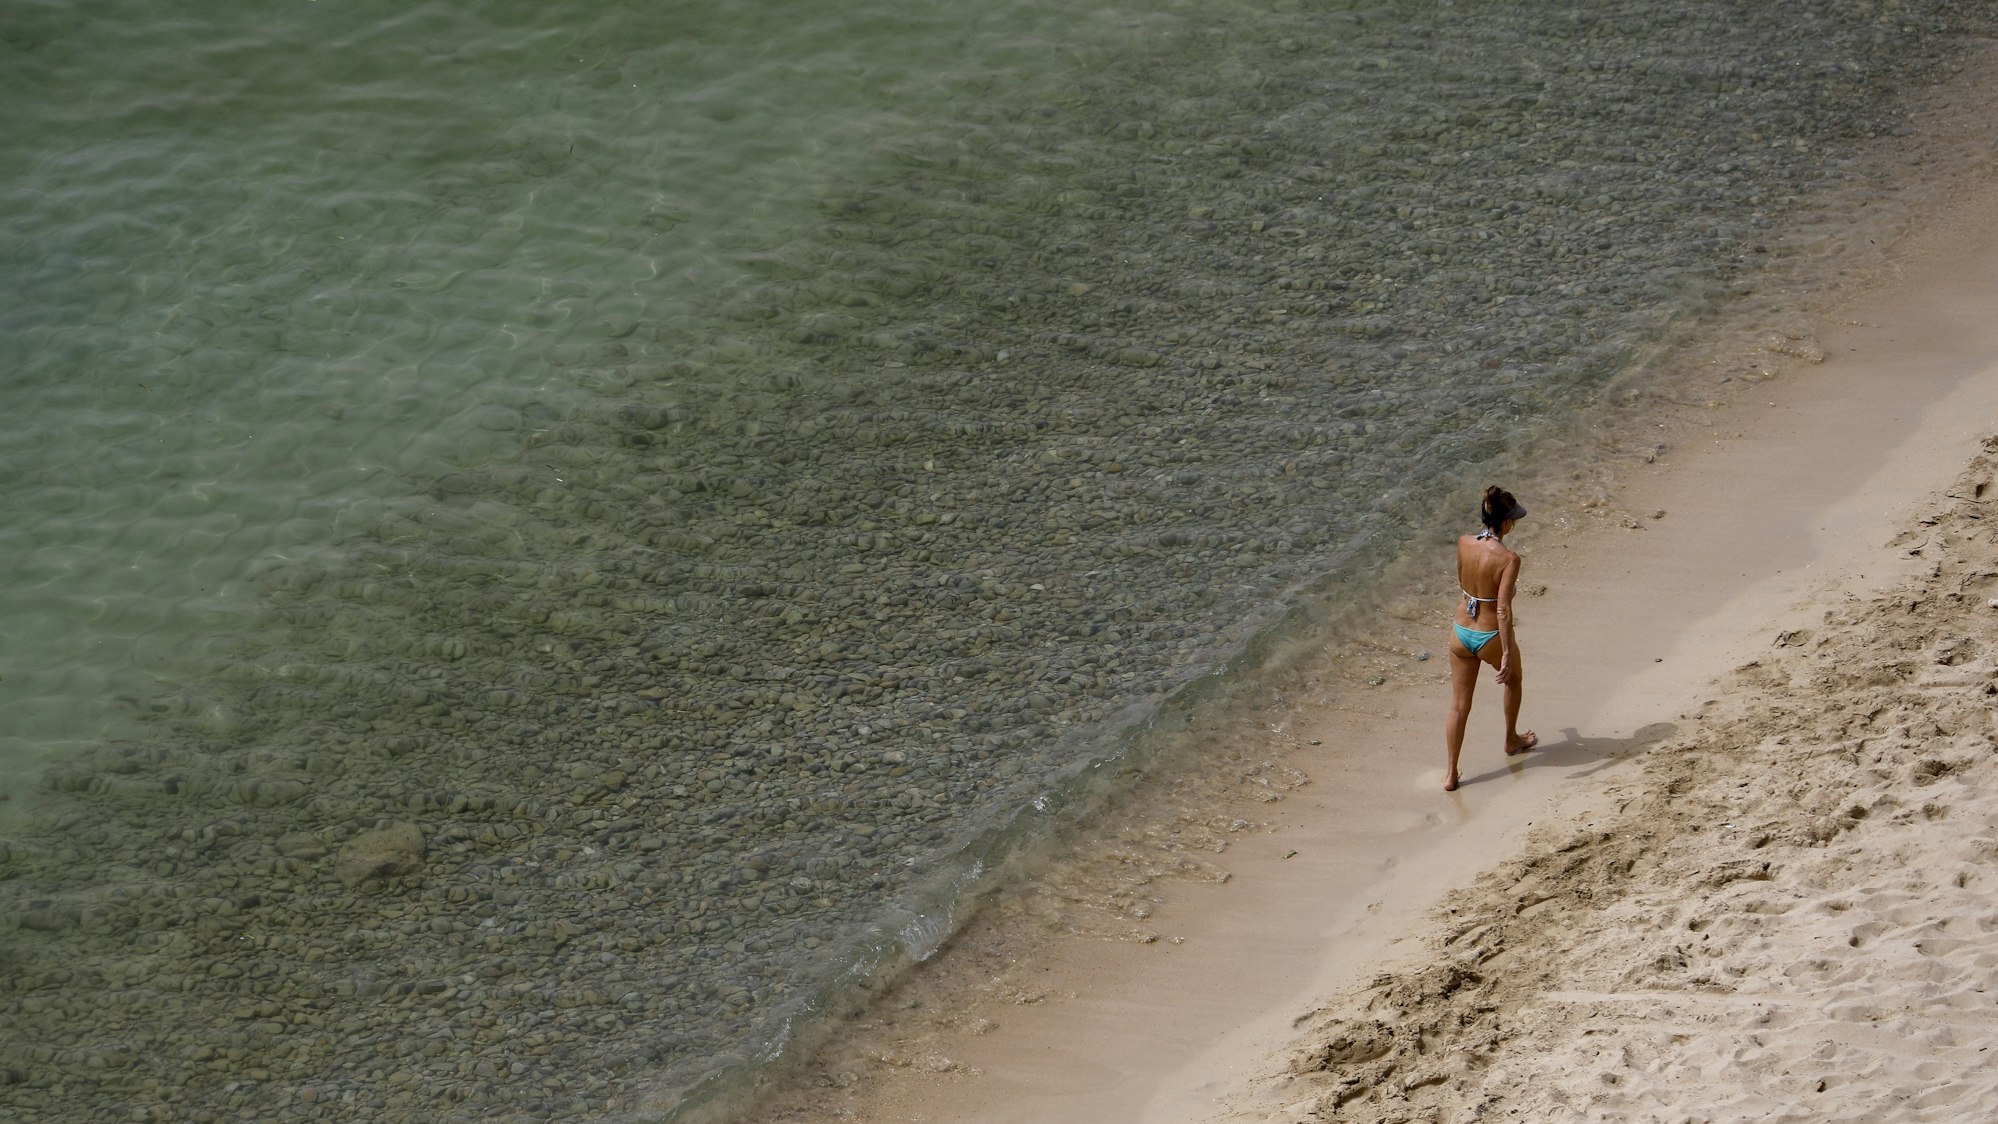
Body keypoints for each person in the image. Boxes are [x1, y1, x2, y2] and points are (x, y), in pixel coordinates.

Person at [1443, 485, 1537, 791]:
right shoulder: (1509, 559)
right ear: (1506, 522)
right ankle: (1511, 739)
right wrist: (1506, 653)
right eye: (1514, 520)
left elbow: (1462, 582)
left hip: (1460, 631)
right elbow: (1503, 610)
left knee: (1459, 705)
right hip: (1489, 634)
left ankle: (1451, 773)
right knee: (1514, 679)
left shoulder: (1463, 542)